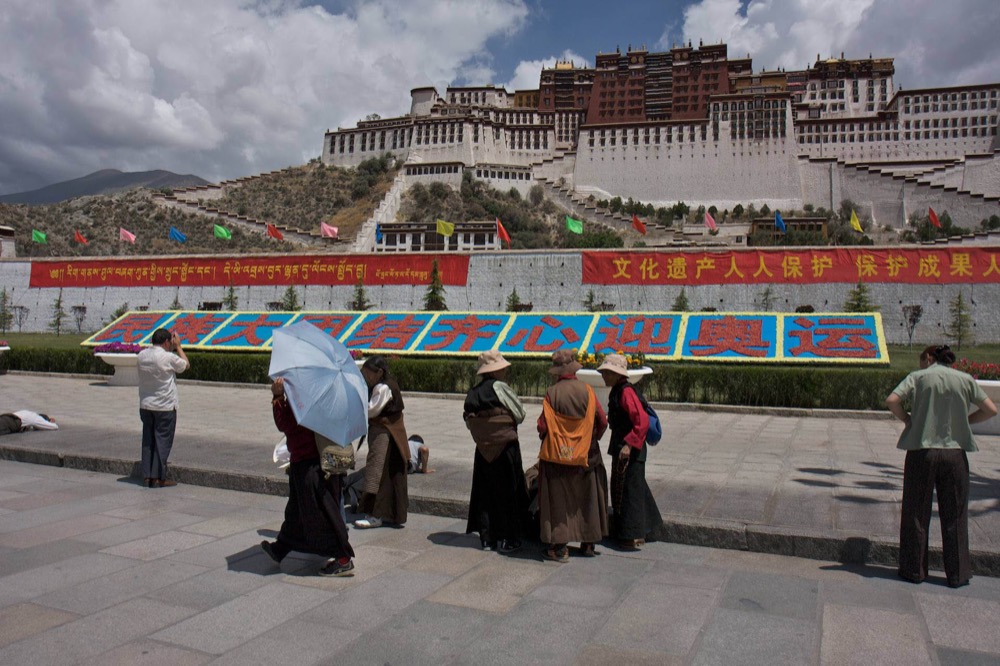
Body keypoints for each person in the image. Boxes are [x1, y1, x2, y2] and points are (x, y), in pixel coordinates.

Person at [886, 344, 997, 588]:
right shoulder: (964, 378)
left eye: (921, 360)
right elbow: (991, 409)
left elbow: (892, 400)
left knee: (916, 511)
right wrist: (966, 421)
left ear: (928, 357)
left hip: (922, 452)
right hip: (954, 454)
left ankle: (914, 570)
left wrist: (907, 419)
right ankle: (957, 574)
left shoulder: (918, 377)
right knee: (955, 514)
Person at [260, 378, 355, 576]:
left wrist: (278, 397)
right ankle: (281, 548)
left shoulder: (304, 399)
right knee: (297, 512)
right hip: (311, 462)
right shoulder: (323, 394)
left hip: (312, 466)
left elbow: (286, 424)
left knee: (321, 515)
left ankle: (343, 558)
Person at [536, 349, 609, 562]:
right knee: (587, 498)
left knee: (559, 501)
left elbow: (542, 426)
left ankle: (559, 548)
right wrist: (589, 438)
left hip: (558, 456)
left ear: (558, 371)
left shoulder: (552, 393)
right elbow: (602, 421)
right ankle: (588, 544)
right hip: (586, 454)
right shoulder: (587, 390)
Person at [464, 350, 530, 553]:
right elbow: (520, 414)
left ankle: (487, 538)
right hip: (505, 448)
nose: (504, 372)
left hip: (483, 448)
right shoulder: (500, 388)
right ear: (495, 372)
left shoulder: (473, 392)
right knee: (508, 490)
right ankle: (508, 537)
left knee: (485, 492)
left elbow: (468, 420)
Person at [598, 354, 663, 550]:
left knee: (628, 492)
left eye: (606, 373)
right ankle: (641, 531)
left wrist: (629, 445)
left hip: (629, 450)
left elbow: (641, 422)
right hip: (623, 447)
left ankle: (630, 535)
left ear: (615, 375)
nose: (603, 376)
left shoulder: (626, 393)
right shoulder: (619, 390)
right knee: (632, 488)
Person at [355, 356, 409, 529]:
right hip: (389, 432)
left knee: (377, 472)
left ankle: (376, 514)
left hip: (384, 433)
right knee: (388, 472)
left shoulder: (383, 387)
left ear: (379, 372)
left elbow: (371, 410)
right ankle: (390, 513)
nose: (366, 377)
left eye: (368, 373)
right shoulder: (385, 384)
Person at [137, 328, 188, 488]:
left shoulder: (142, 355)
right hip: (164, 405)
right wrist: (178, 347)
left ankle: (147, 476)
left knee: (148, 441)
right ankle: (158, 477)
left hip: (146, 404)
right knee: (162, 441)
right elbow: (185, 365)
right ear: (167, 342)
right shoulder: (167, 357)